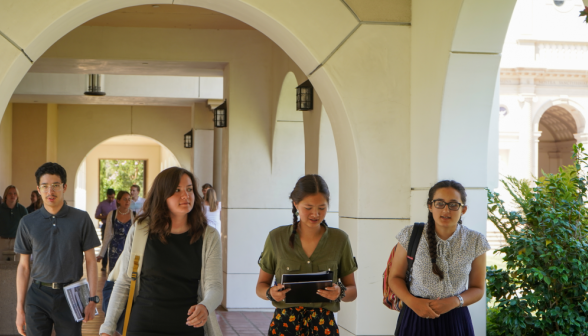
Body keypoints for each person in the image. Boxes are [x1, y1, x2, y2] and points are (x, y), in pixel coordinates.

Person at [99, 167, 223, 336]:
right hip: (143, 325)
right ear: (162, 195)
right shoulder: (141, 230)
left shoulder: (209, 236)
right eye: (177, 190)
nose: (185, 195)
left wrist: (205, 306)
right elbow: (125, 282)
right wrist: (107, 328)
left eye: (189, 189)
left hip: (188, 326)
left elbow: (214, 286)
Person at [256, 174, 358, 336]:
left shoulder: (340, 239)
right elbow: (261, 286)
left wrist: (340, 292)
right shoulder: (276, 237)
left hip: (324, 325)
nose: (315, 214)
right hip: (284, 326)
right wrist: (270, 293)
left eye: (322, 208)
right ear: (296, 204)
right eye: (308, 208)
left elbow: (352, 291)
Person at [389, 180, 491, 336]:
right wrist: (413, 302)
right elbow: (395, 277)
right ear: (430, 206)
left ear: (463, 209)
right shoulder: (410, 234)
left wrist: (455, 301)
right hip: (415, 316)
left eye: (453, 205)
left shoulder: (476, 241)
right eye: (440, 203)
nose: (446, 210)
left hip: (456, 319)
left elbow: (477, 289)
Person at [14, 162, 101, 336]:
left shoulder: (81, 219)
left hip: (71, 296)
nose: (50, 191)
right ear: (38, 189)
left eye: (55, 185)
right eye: (45, 186)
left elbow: (91, 261)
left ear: (64, 187)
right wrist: (19, 309)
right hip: (38, 295)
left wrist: (92, 299)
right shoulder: (27, 222)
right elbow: (23, 267)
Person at [97, 191, 136, 273]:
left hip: (129, 249)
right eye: (124, 199)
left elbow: (135, 236)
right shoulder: (112, 214)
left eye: (129, 199)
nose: (127, 202)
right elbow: (108, 235)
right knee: (114, 275)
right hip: (115, 250)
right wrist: (102, 253)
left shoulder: (134, 215)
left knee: (127, 275)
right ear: (118, 200)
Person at [0, 186, 28, 254]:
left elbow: (27, 226)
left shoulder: (22, 209)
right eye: (10, 193)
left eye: (15, 193)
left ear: (17, 196)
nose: (12, 195)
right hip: (2, 241)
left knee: (16, 263)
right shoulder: (0, 208)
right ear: (6, 195)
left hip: (17, 241)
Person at [96, 188, 117, 271]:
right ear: (107, 196)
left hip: (116, 226)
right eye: (109, 197)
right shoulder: (102, 204)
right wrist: (107, 216)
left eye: (112, 197)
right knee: (105, 244)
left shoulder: (117, 203)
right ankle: (104, 265)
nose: (111, 199)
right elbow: (97, 215)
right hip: (105, 225)